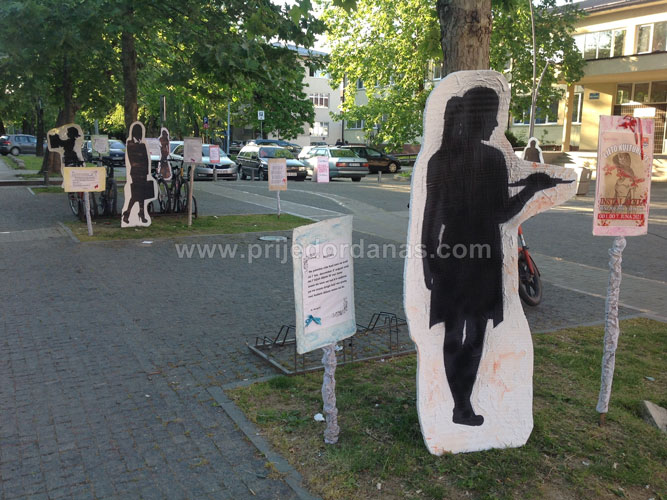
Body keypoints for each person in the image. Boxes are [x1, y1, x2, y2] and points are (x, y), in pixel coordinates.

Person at [421, 87, 566, 426]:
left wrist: (430, 260)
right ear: (479, 116)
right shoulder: (488, 159)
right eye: (494, 116)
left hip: (455, 253)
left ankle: (461, 406)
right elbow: (499, 214)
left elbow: (432, 219)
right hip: (481, 254)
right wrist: (530, 190)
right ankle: (461, 406)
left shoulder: (445, 159)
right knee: (472, 333)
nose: (496, 124)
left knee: (457, 332)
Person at [122, 123, 153, 224]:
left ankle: (139, 213)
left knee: (141, 194)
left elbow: (146, 159)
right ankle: (130, 213)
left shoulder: (142, 145)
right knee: (136, 194)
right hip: (135, 172)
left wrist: (147, 171)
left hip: (142, 172)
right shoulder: (130, 144)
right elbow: (132, 159)